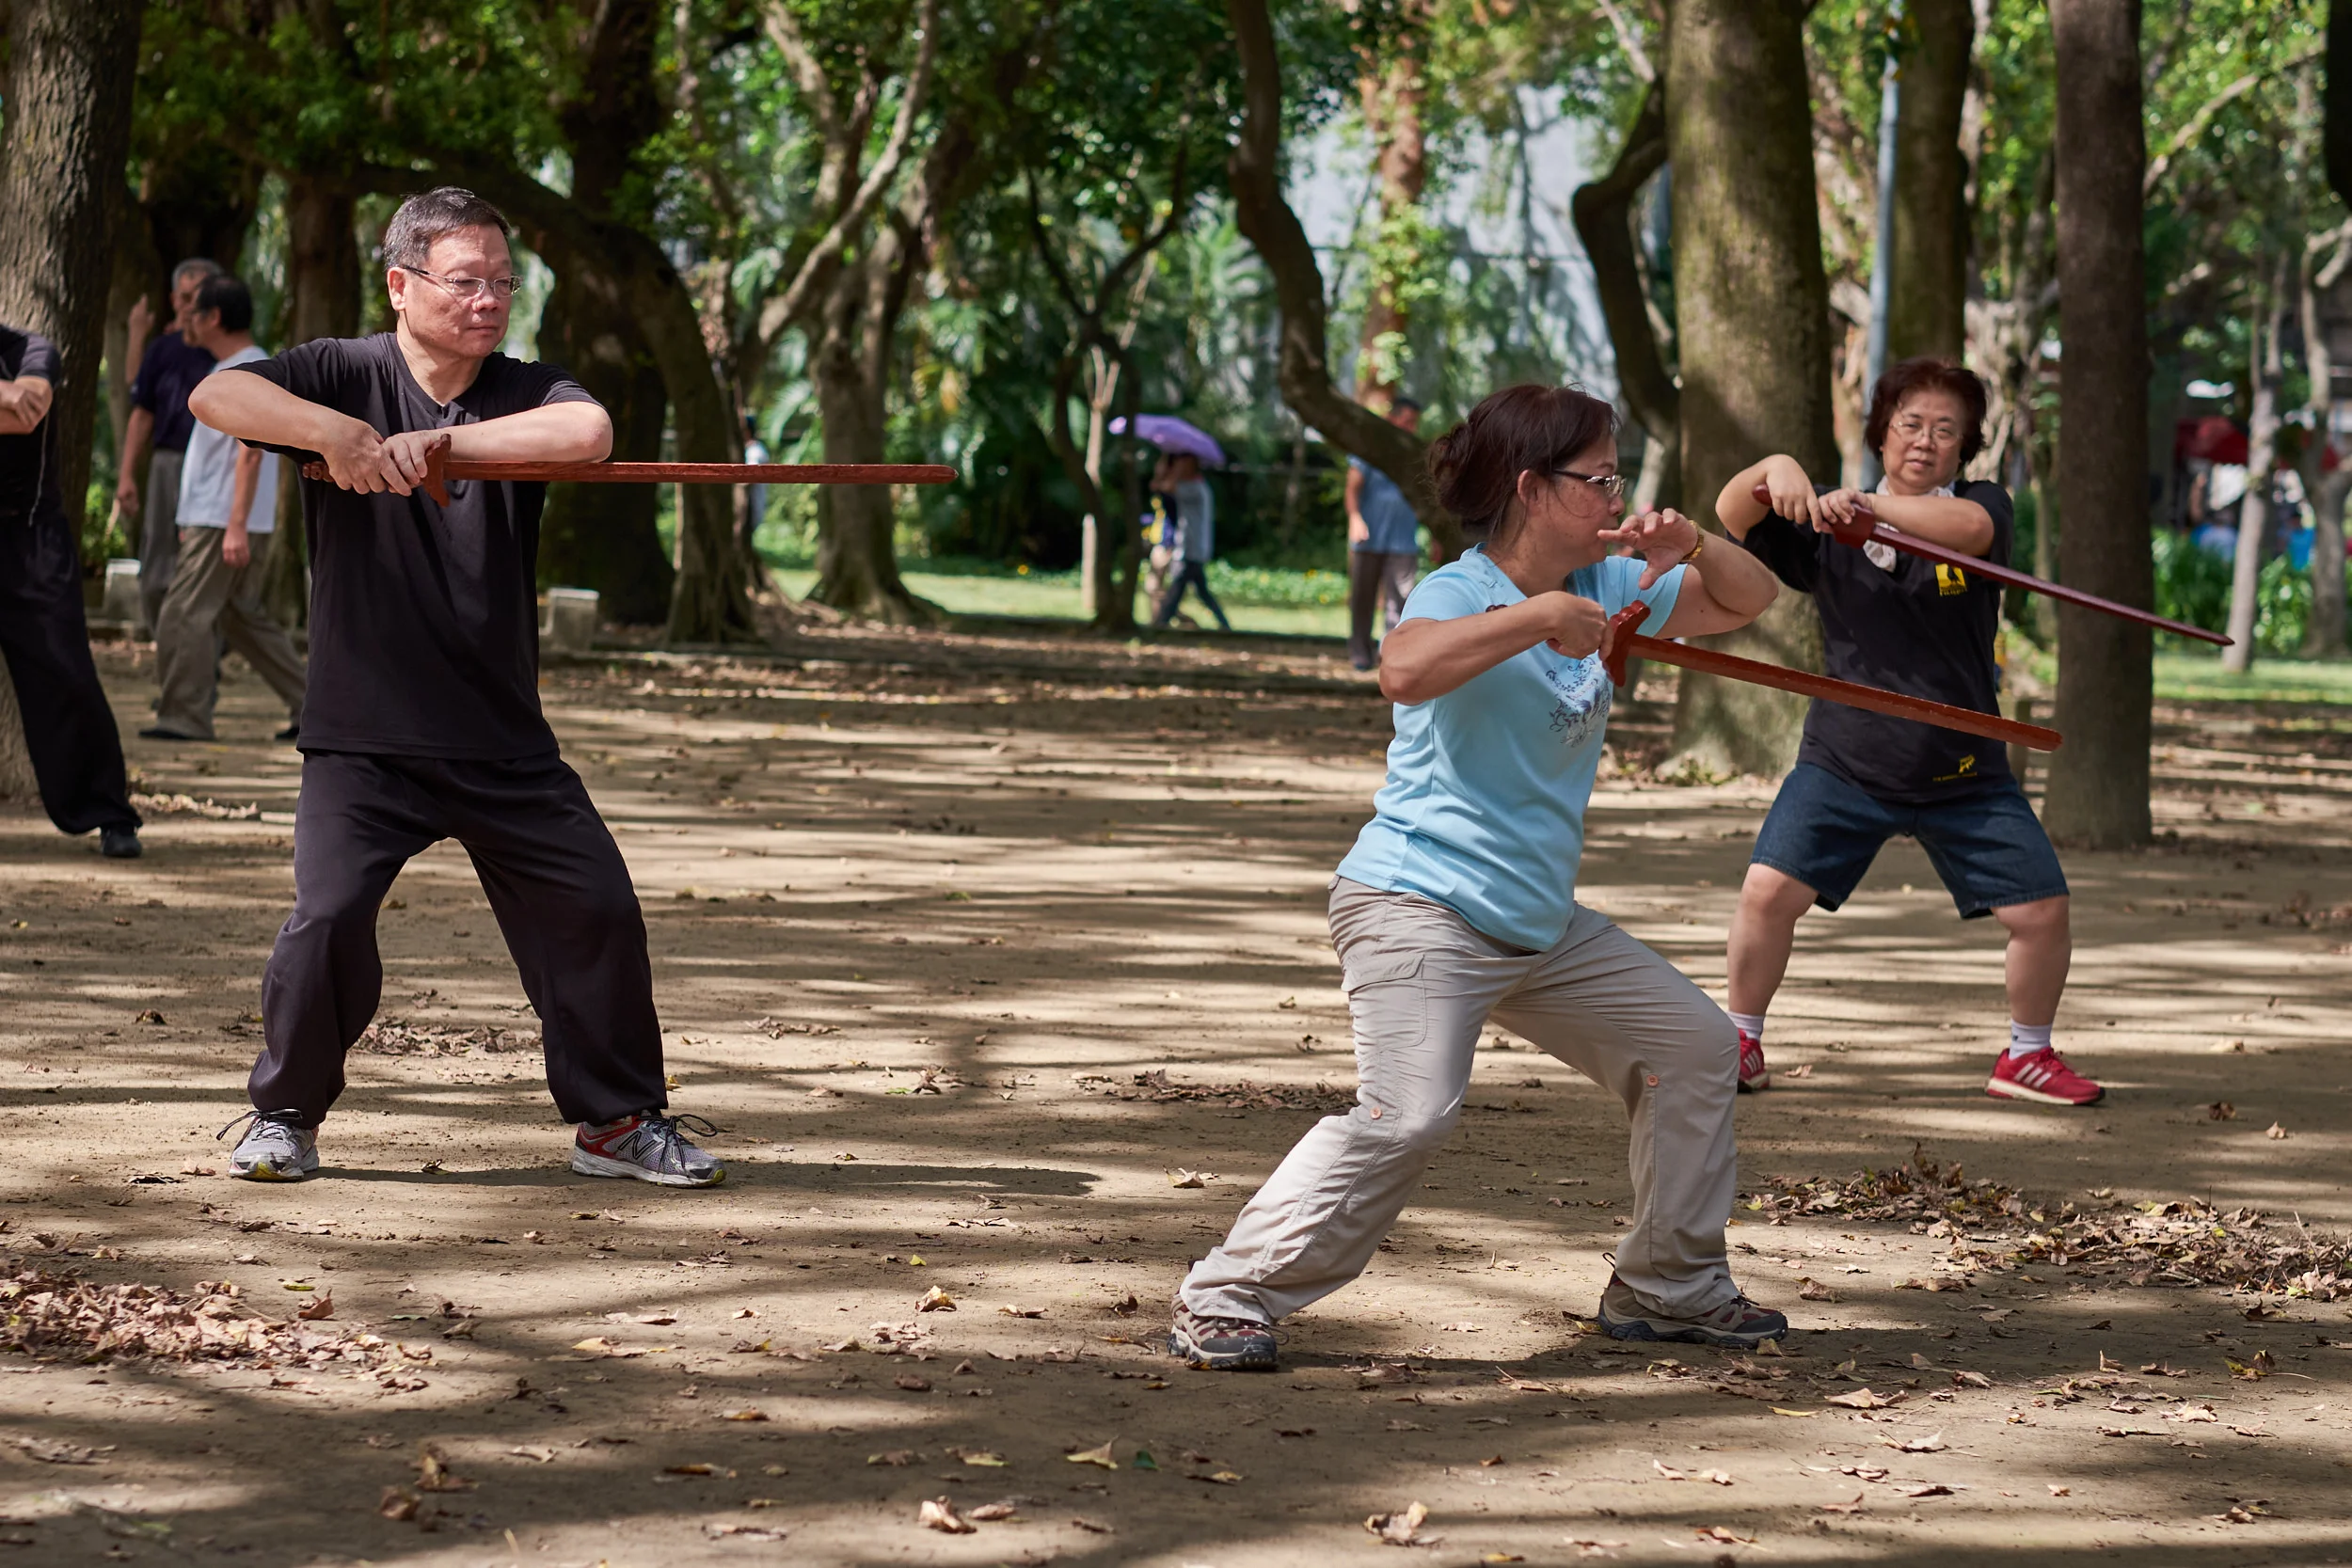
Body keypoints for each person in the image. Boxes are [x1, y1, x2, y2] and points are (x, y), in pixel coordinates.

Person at [1169, 383, 1788, 1371]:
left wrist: (1692, 544)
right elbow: (1401, 669)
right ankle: (1228, 1292)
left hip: (1536, 923)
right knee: (1407, 1112)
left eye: (1616, 478)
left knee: (1697, 1046)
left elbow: (1751, 600)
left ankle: (1667, 1283)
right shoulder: (1462, 590)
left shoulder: (1612, 582)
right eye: (1597, 479)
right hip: (1418, 905)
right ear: (1531, 487)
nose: (1612, 495)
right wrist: (1536, 616)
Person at [187, 187, 722, 1186]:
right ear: (401, 284)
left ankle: (615, 1123)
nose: (488, 300)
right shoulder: (341, 372)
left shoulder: (525, 387)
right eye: (464, 280)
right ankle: (285, 1115)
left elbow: (590, 436)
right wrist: (338, 436)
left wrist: (442, 446)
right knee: (328, 916)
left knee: (596, 905)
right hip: (363, 736)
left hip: (501, 735)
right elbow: (217, 397)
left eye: (502, 281)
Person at [1716, 357, 2099, 1107]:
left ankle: (2027, 1055)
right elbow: (1735, 514)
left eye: (1945, 430)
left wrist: (1869, 511)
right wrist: (1776, 467)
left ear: (1964, 448)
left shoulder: (1980, 506)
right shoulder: (1829, 523)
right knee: (1766, 892)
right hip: (1845, 760)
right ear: (1882, 432)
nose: (1925, 441)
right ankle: (1738, 1039)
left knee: (2042, 910)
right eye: (1910, 423)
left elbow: (1971, 528)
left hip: (1962, 763)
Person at [0, 324, 143, 859]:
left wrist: (17, 399)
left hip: (30, 535)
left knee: (65, 669)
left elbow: (29, 411)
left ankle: (108, 811)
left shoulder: (32, 351)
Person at [145, 276, 308, 744]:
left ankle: (185, 715)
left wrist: (234, 523)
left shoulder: (244, 370)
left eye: (192, 311)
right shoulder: (239, 367)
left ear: (213, 317)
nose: (183, 321)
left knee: (185, 612)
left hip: (223, 520)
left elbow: (250, 452)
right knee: (239, 616)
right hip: (218, 518)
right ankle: (312, 705)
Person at [119, 260, 224, 633]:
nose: (190, 305)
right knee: (157, 563)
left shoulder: (226, 353)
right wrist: (126, 476)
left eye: (198, 297)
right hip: (168, 466)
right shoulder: (162, 348)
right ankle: (165, 649)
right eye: (184, 297)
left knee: (200, 571)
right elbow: (141, 411)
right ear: (174, 300)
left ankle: (199, 667)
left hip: (216, 470)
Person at [1345, 397, 1423, 670]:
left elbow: (1428, 498)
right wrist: (1355, 518)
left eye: (1415, 423)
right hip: (1369, 538)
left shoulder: (1416, 454)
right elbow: (1352, 486)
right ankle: (1359, 650)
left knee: (1400, 600)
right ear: (1393, 419)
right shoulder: (1370, 449)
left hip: (1403, 542)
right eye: (1407, 421)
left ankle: (1390, 653)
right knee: (1362, 597)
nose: (1411, 427)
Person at [1151, 451, 1231, 631]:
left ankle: (1161, 623)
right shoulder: (1197, 486)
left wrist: (1171, 470)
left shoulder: (1194, 488)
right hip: (1192, 547)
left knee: (1178, 589)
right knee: (1200, 591)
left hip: (1191, 547)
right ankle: (1224, 625)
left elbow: (1164, 487)